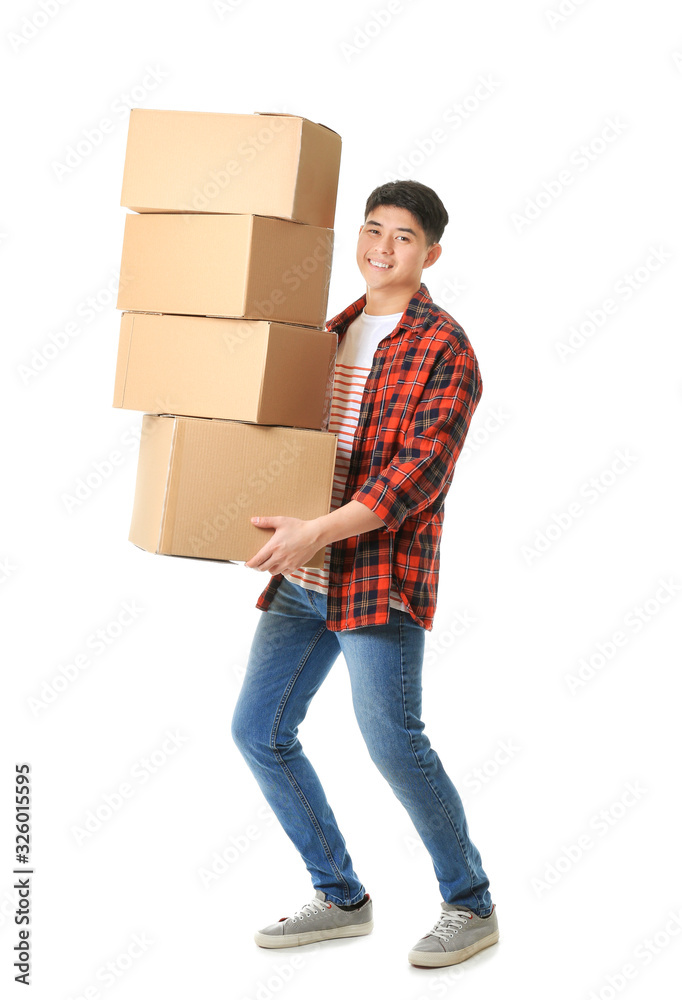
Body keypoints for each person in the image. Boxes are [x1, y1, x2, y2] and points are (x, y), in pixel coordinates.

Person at [230, 179, 498, 968]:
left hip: (376, 577)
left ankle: (471, 902)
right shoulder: (328, 332)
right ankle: (340, 895)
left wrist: (318, 529)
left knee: (394, 745)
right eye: (373, 230)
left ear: (432, 253)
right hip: (303, 576)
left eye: (404, 237)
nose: (382, 248)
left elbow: (415, 479)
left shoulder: (445, 348)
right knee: (258, 731)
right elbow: (286, 440)